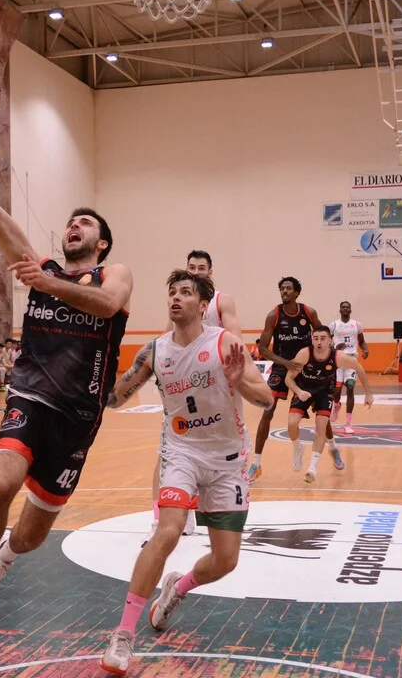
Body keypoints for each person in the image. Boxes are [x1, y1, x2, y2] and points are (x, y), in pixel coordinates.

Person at [0, 114, 133, 633]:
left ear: (102, 244)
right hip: (31, 398)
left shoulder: (112, 274)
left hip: (78, 419)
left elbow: (108, 305)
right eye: (72, 221)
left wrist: (46, 283)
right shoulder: (42, 267)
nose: (74, 225)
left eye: (86, 223)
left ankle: (5, 560)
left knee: (33, 534)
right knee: (1, 485)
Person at [99, 271, 273, 675]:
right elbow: (114, 398)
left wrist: (240, 383)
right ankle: (123, 635)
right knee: (168, 531)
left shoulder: (225, 344)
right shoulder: (155, 351)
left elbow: (265, 399)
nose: (176, 298)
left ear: (203, 305)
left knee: (226, 560)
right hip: (181, 453)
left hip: (227, 460)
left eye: (186, 293)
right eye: (172, 292)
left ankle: (177, 588)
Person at [144, 249, 243, 545]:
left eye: (201, 267)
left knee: (215, 454)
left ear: (210, 272)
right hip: (183, 390)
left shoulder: (221, 301)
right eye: (192, 267)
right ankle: (160, 518)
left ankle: (212, 513)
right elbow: (164, 340)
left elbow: (235, 339)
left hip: (215, 390)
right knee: (168, 453)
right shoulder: (180, 304)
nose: (196, 271)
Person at [248, 277, 322, 482]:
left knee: (320, 409)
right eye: (282, 289)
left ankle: (332, 447)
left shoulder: (308, 312)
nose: (284, 292)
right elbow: (263, 349)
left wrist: (319, 359)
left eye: (288, 289)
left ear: (297, 292)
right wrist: (286, 363)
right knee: (267, 410)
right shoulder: (274, 315)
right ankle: (256, 463)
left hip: (304, 368)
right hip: (282, 368)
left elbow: (322, 336)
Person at [285, 326, 374, 484]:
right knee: (292, 424)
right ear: (312, 340)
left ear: (330, 341)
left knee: (321, 429)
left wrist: (368, 393)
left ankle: (312, 468)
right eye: (316, 338)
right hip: (304, 389)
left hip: (324, 392)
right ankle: (297, 447)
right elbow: (288, 379)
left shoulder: (338, 356)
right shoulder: (304, 354)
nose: (319, 342)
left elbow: (359, 368)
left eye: (323, 338)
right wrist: (298, 391)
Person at [327, 301, 369, 434]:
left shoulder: (357, 324)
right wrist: (335, 347)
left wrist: (365, 349)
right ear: (339, 310)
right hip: (338, 359)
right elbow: (327, 343)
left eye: (347, 307)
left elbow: (361, 341)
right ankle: (337, 404)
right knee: (336, 391)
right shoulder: (333, 325)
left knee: (350, 388)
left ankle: (348, 423)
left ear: (350, 310)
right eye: (343, 307)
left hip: (351, 360)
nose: (345, 309)